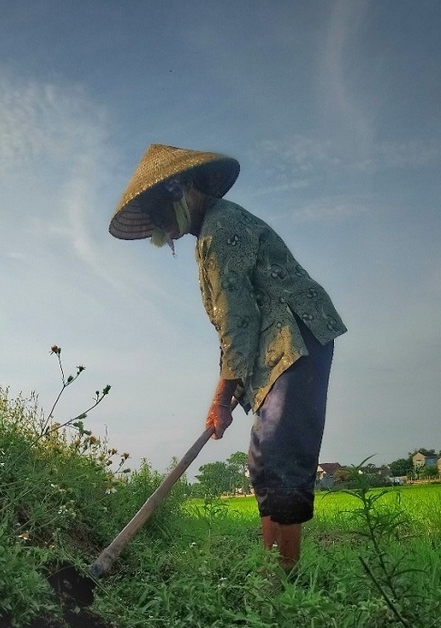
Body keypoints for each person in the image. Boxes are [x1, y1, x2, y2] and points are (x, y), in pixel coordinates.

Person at [109, 144, 346, 571]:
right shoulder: (209, 237)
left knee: (281, 452)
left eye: (161, 215)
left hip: (297, 336)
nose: (162, 229)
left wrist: (221, 397)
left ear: (179, 192)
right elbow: (233, 323)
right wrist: (232, 386)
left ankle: (283, 580)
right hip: (271, 346)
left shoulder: (221, 231)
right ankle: (271, 569)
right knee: (260, 459)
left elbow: (238, 318)